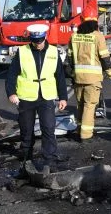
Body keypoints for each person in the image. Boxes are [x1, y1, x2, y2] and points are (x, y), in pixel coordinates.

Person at [6, 24, 68, 173]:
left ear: (45, 37)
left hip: (46, 97)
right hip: (26, 98)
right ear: (31, 39)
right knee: (26, 131)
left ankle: (49, 162)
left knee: (48, 129)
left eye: (40, 40)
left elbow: (60, 76)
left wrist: (63, 97)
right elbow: (11, 75)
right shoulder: (22, 52)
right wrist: (11, 93)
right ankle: (27, 161)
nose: (37, 44)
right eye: (35, 41)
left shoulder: (53, 52)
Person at [67, 4, 111, 143]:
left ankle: (80, 130)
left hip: (78, 78)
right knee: (90, 106)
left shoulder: (74, 36)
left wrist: (72, 74)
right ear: (95, 21)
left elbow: (69, 59)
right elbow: (105, 58)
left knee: (81, 105)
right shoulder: (98, 36)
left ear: (82, 20)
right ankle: (86, 136)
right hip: (92, 79)